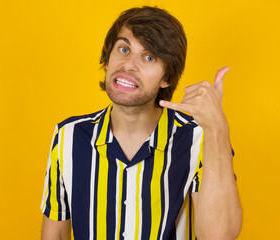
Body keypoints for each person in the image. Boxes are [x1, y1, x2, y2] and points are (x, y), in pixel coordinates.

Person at [40, 6, 242, 240]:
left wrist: (217, 128)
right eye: (124, 49)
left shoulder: (198, 137)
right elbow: (54, 233)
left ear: (166, 77)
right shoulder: (69, 136)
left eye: (149, 57)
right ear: (107, 58)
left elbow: (219, 236)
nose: (128, 65)